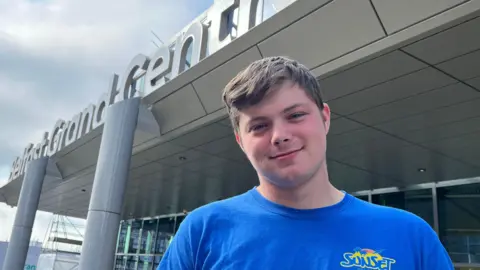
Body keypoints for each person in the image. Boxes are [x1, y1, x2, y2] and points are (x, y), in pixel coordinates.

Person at [158, 56, 454, 269]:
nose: (280, 136)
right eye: (259, 126)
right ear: (240, 141)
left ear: (325, 118)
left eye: (295, 115)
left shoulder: (410, 236)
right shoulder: (202, 231)